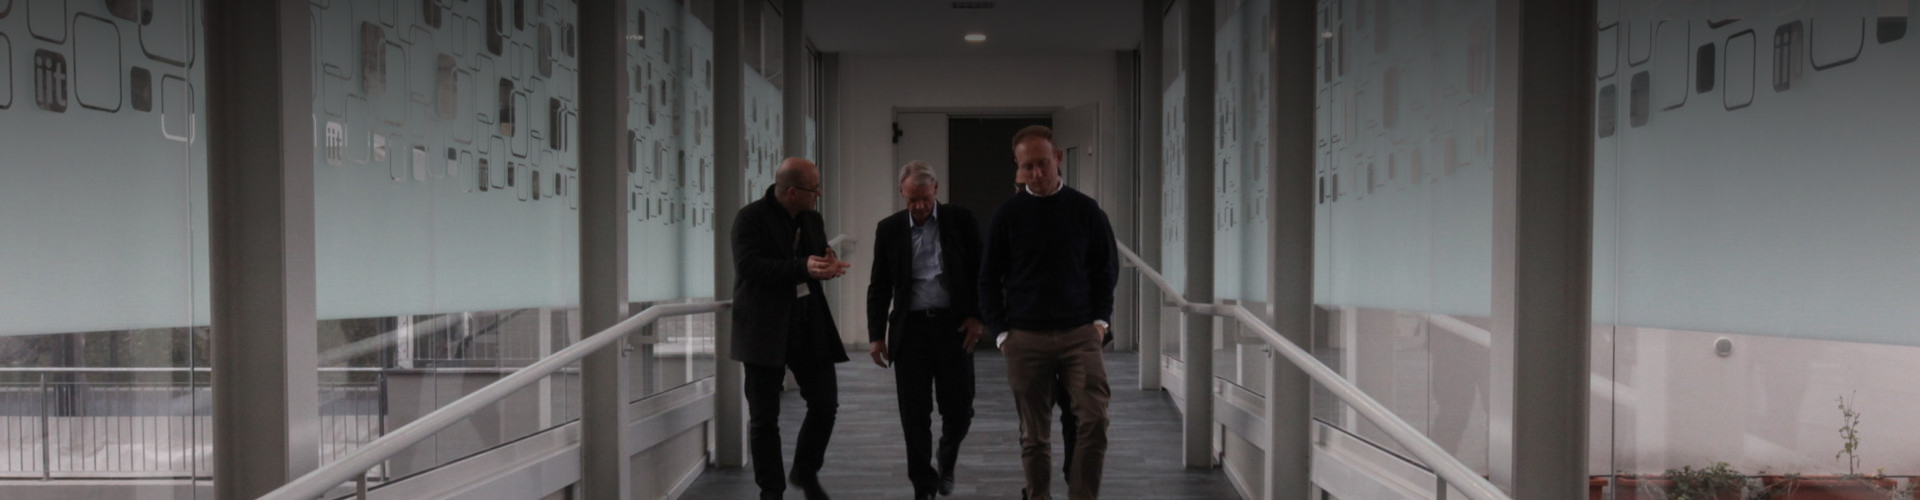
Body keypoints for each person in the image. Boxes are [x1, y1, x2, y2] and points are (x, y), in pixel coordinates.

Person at [980, 125, 1119, 500]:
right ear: (1018, 166)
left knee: (1095, 419)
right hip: (1025, 336)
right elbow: (988, 279)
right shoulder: (1007, 215)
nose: (1037, 173)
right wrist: (1002, 334)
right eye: (1028, 166)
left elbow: (1106, 269)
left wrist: (1100, 322)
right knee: (1034, 434)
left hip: (1080, 334)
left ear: (1058, 158)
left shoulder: (1085, 210)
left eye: (1042, 163)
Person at [730, 157, 852, 500]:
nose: (819, 194)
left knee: (825, 403)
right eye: (815, 189)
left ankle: (804, 471)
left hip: (806, 322)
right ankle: (771, 491)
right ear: (793, 192)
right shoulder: (750, 218)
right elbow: (749, 266)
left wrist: (826, 265)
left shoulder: (812, 218)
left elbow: (814, 259)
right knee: (764, 418)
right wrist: (803, 267)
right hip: (762, 327)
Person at [866, 161, 986, 499]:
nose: (919, 206)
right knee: (914, 415)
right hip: (910, 331)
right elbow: (879, 285)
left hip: (954, 326)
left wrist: (978, 317)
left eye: (925, 199)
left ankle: (946, 456)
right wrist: (875, 335)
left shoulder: (960, 220)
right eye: (912, 200)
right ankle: (923, 484)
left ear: (936, 189)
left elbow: (983, 271)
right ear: (901, 193)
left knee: (960, 410)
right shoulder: (889, 229)